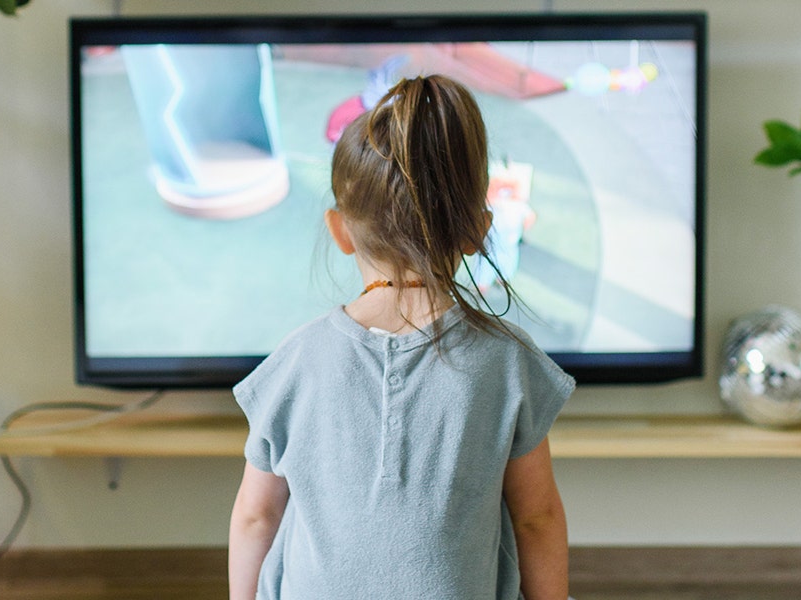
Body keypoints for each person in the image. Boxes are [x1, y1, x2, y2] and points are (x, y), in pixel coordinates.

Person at [228, 74, 574, 600]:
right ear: (480, 230)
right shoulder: (507, 363)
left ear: (340, 230)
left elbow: (256, 516)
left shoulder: (296, 361)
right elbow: (536, 519)